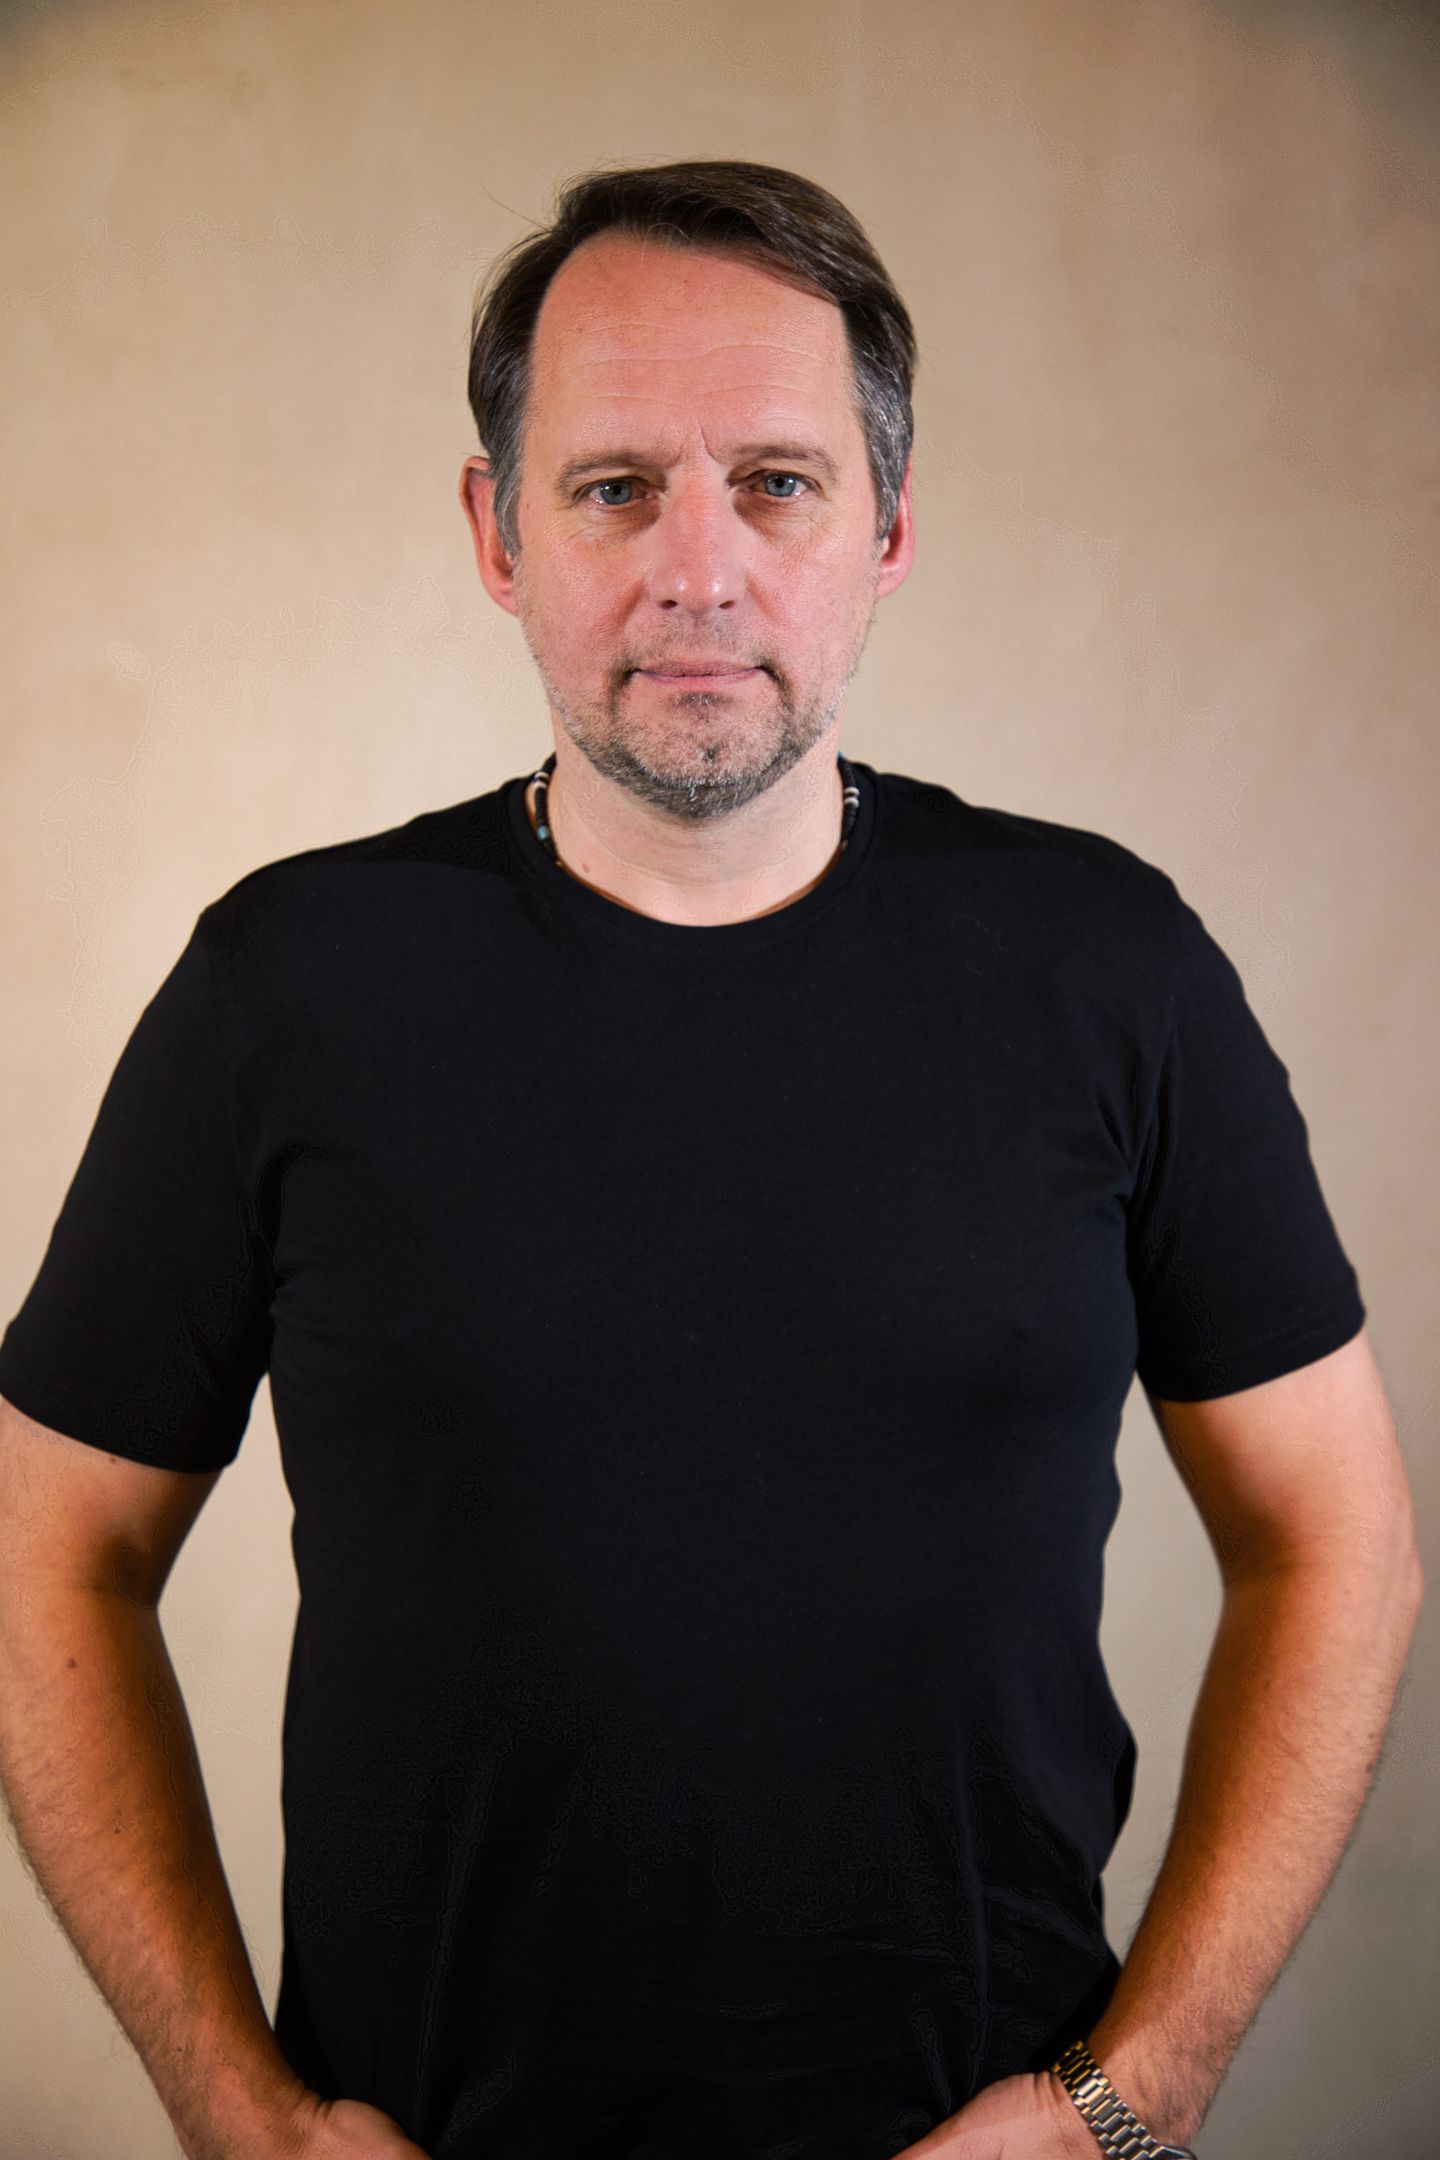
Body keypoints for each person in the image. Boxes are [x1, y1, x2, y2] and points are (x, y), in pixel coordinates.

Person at [0, 157, 1422, 2160]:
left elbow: (1337, 1537)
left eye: (775, 482)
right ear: (496, 534)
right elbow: (41, 1545)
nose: (699, 567)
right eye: (612, 487)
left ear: (889, 526)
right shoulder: (288, 989)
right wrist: (241, 2118)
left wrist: (1137, 2094)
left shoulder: (1109, 970)